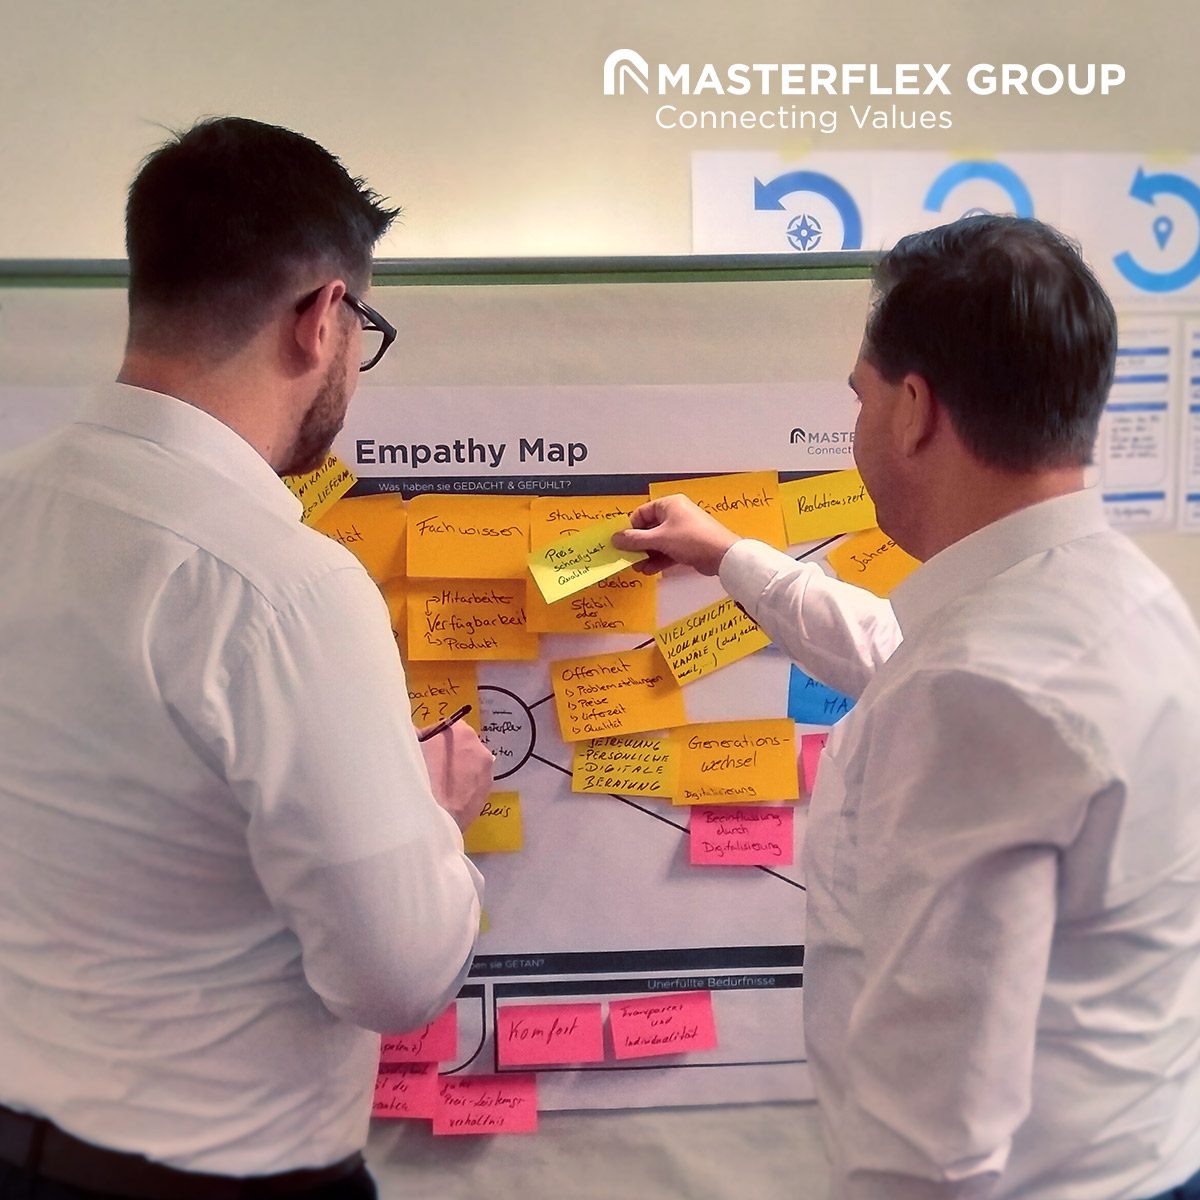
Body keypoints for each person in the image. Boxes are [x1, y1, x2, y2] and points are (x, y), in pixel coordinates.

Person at [615, 215, 1200, 1200]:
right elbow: (899, 651)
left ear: (915, 409)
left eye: (861, 396)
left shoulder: (982, 689)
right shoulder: (1102, 599)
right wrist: (731, 556)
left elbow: (935, 1148)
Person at [0, 117, 494, 1199]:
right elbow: (395, 975)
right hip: (215, 1179)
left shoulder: (12, 500)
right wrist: (432, 821)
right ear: (324, 318)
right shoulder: (287, 587)